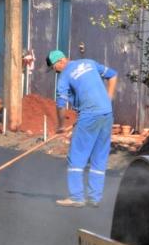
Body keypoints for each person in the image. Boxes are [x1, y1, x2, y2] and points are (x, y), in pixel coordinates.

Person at [49, 49, 118, 208]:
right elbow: (113, 75)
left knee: (76, 155)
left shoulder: (64, 75)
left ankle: (76, 197)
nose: (55, 71)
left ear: (61, 61)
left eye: (54, 67)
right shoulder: (89, 62)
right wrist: (108, 98)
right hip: (107, 114)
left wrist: (61, 125)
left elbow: (61, 104)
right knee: (99, 156)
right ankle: (94, 198)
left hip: (89, 115)